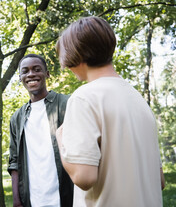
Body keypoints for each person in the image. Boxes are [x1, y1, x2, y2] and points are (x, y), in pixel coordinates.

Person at [55, 16, 165, 207]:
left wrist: (60, 138)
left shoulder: (84, 98)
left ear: (75, 55)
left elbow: (83, 177)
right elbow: (160, 181)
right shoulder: (138, 100)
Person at [8, 54, 74, 207]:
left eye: (37, 69)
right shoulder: (17, 118)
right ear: (20, 77)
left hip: (66, 196)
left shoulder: (66, 104)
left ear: (47, 74)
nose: (31, 74)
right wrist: (17, 200)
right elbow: (14, 161)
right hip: (33, 199)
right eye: (25, 71)